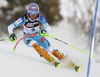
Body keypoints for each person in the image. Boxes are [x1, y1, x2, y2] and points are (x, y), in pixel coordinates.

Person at [8, 3, 80, 72]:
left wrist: (44, 31)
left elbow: (48, 28)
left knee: (51, 50)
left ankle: (68, 61)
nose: (33, 15)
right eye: (31, 12)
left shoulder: (40, 17)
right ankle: (50, 59)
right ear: (28, 12)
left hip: (38, 36)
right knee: (34, 43)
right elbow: (10, 27)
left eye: (35, 13)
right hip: (28, 38)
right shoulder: (23, 19)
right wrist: (12, 34)